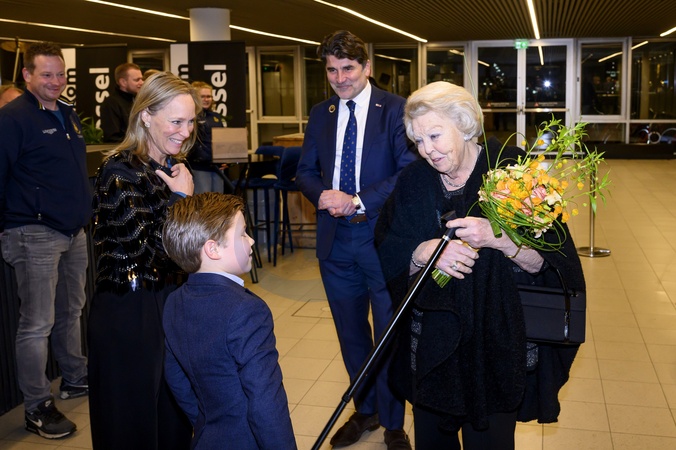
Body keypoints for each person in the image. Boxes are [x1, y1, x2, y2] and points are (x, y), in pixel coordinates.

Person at [374, 81, 585, 450]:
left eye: (435, 135)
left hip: (496, 348)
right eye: (418, 141)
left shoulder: (513, 172)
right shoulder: (413, 180)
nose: (427, 150)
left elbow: (551, 261)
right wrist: (424, 252)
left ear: (464, 124)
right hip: (431, 349)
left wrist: (497, 237)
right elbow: (388, 247)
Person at [296, 30, 417, 450]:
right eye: (332, 70)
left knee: (388, 333)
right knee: (350, 334)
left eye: (347, 68)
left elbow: (408, 172)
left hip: (382, 237)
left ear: (366, 66)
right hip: (335, 241)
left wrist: (358, 200)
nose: (340, 78)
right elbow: (305, 171)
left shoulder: (396, 110)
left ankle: (394, 423)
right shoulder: (321, 113)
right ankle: (366, 410)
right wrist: (322, 195)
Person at [88, 71, 196, 450]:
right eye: (176, 121)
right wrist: (181, 200)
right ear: (146, 116)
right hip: (129, 312)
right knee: (131, 421)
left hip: (168, 300)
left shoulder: (169, 168)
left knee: (173, 415)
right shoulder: (119, 172)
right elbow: (150, 252)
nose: (185, 132)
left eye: (190, 122)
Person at [0, 42, 91, 439]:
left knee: (71, 310)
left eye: (61, 74)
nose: (56, 81)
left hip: (73, 232)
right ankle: (37, 406)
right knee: (37, 324)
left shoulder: (67, 113)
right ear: (27, 75)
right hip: (33, 233)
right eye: (47, 74)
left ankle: (74, 377)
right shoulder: (12, 118)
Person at [162, 192, 297, 450]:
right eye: (243, 234)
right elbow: (266, 401)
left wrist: (206, 422)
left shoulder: (174, 301)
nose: (252, 240)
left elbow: (176, 378)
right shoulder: (247, 310)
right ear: (213, 249)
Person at [188, 80, 226, 194]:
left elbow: (222, 140)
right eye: (202, 96)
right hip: (199, 167)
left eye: (209, 96)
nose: (206, 99)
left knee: (218, 201)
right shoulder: (191, 117)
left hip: (218, 167)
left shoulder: (216, 117)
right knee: (203, 201)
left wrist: (225, 159)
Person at [100, 62, 144, 142]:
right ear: (123, 82)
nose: (142, 82)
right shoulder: (111, 104)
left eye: (142, 79)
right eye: (137, 80)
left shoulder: (138, 100)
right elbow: (112, 138)